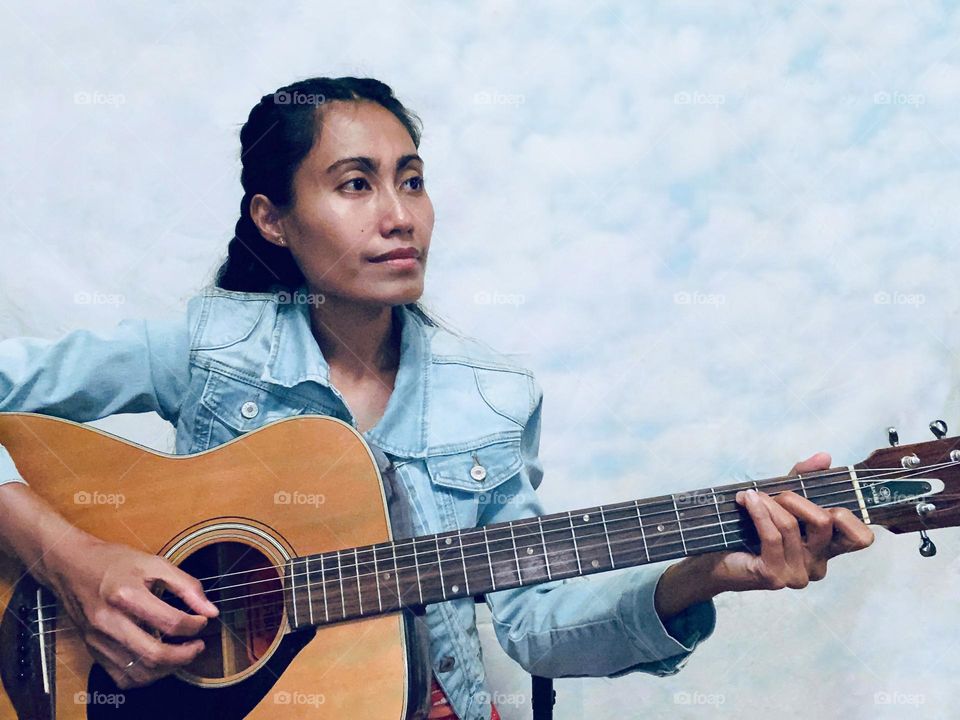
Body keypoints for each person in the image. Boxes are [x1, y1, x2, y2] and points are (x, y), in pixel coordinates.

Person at [0, 76, 875, 720]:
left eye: (411, 180)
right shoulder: (205, 347)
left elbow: (534, 625)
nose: (399, 215)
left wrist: (703, 573)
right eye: (355, 184)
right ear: (272, 219)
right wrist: (71, 558)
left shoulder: (487, 399)